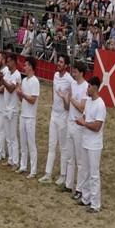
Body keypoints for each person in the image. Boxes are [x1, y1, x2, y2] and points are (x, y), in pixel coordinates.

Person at [39, 55, 73, 184]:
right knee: (51, 144)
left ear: (66, 65)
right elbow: (54, 94)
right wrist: (53, 105)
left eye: (61, 62)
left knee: (63, 147)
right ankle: (48, 174)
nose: (58, 63)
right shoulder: (55, 76)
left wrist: (64, 101)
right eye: (58, 61)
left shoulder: (69, 80)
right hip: (54, 114)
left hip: (63, 116)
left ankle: (63, 175)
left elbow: (68, 102)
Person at [75, 76, 106, 213]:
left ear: (94, 87)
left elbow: (97, 126)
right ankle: (86, 198)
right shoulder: (88, 102)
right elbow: (86, 117)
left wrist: (84, 123)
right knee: (86, 172)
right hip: (86, 141)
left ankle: (95, 204)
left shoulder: (100, 104)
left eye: (88, 86)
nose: (87, 89)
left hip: (94, 144)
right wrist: (80, 120)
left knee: (94, 174)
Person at [61, 61, 88, 198]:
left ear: (81, 73)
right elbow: (69, 105)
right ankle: (68, 184)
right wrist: (65, 99)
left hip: (78, 126)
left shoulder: (85, 87)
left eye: (76, 71)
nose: (74, 74)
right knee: (69, 156)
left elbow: (82, 107)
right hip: (70, 123)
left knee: (80, 160)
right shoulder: (73, 84)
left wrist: (70, 99)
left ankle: (80, 189)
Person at [15, 56, 40, 178]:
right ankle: (23, 165)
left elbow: (32, 100)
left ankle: (33, 170)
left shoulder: (35, 81)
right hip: (23, 114)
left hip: (30, 117)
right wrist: (19, 92)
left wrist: (22, 94)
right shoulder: (24, 81)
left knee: (31, 143)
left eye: (25, 65)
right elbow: (22, 99)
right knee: (23, 142)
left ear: (30, 67)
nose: (24, 67)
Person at [0, 52, 21, 168]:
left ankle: (15, 161)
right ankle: (11, 159)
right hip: (6, 107)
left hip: (13, 109)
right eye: (7, 61)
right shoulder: (7, 73)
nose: (7, 63)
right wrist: (0, 78)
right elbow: (0, 84)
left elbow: (11, 89)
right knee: (8, 135)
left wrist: (2, 80)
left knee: (13, 136)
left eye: (9, 61)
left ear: (14, 62)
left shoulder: (17, 75)